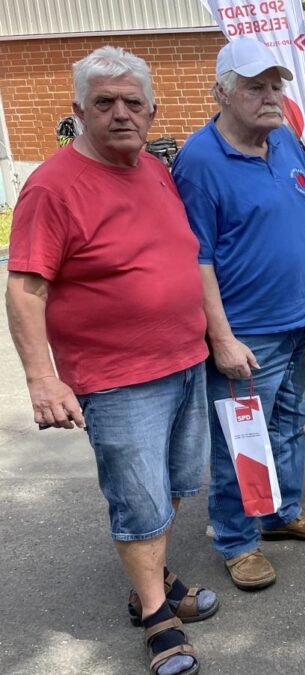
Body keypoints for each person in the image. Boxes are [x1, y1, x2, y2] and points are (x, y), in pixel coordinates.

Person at [7, 46, 215, 675]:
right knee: (139, 501)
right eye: (105, 103)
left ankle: (154, 577)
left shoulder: (152, 169)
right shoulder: (53, 186)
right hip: (119, 380)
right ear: (79, 110)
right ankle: (155, 615)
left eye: (132, 102)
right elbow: (25, 288)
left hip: (184, 360)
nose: (121, 113)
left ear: (152, 111)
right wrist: (42, 379)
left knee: (174, 487)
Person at [171, 37, 305, 590]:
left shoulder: (285, 139)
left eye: (276, 86)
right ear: (222, 93)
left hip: (296, 321)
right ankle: (237, 540)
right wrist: (221, 338)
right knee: (242, 439)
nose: (271, 96)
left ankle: (280, 512)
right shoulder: (200, 162)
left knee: (289, 423)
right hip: (245, 333)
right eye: (256, 87)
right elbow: (197, 259)